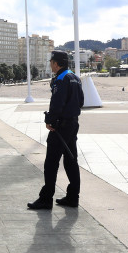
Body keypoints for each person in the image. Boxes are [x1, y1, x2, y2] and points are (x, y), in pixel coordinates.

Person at [28, 50, 85, 210]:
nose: (51, 65)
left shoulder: (61, 79)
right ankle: (73, 197)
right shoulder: (75, 77)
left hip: (61, 126)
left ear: (56, 62)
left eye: (51, 62)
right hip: (73, 124)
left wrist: (51, 121)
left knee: (51, 163)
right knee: (71, 161)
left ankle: (46, 199)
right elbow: (81, 101)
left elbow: (57, 103)